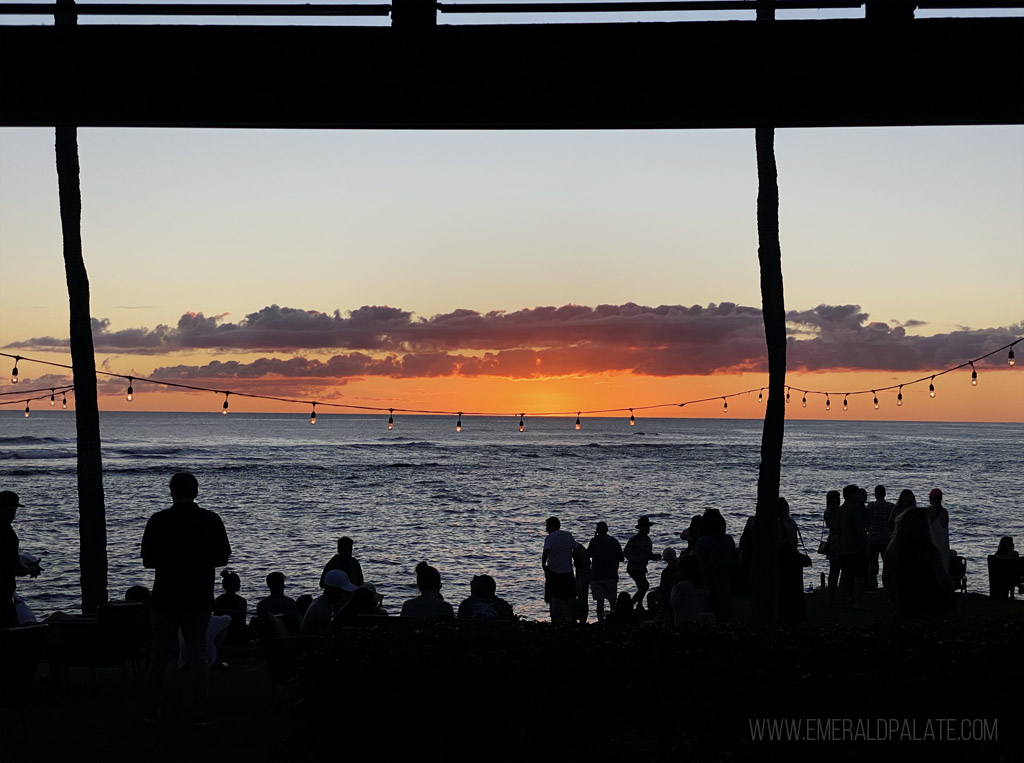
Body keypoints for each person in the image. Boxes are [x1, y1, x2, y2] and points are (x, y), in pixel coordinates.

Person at [141, 472, 231, 725]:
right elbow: (223, 557)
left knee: (158, 654)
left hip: (165, 595)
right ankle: (198, 713)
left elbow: (148, 561)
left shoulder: (158, 520)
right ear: (196, 491)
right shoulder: (211, 520)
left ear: (172, 492)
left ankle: (152, 710)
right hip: (198, 595)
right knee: (198, 653)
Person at [882, 506, 955, 618]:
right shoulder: (930, 550)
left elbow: (886, 577)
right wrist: (951, 596)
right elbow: (942, 577)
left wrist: (893, 596)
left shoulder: (893, 549)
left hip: (904, 597)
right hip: (929, 598)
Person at [1, 491, 42, 628]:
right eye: (14, 510)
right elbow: (15, 568)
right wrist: (31, 569)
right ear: (9, 510)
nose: (14, 515)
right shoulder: (8, 534)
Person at [695, 509, 736, 622]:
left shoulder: (702, 543)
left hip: (708, 584)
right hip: (726, 584)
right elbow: (733, 561)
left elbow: (700, 566)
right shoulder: (728, 540)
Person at [836, 484, 869, 609]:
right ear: (851, 495)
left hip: (843, 545)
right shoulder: (856, 509)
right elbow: (860, 529)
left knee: (845, 573)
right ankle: (857, 601)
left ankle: (842, 600)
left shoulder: (840, 509)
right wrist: (866, 544)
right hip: (856, 545)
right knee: (859, 575)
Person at [542, 516, 579, 623]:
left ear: (552, 526)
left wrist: (543, 564)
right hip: (568, 571)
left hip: (554, 571)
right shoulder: (568, 534)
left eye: (547, 526)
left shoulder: (550, 537)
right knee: (568, 597)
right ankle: (569, 618)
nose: (546, 529)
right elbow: (576, 549)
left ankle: (555, 619)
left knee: (554, 596)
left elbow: (546, 552)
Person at [587, 521, 624, 623]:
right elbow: (621, 558)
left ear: (597, 531)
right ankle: (614, 621)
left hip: (597, 576)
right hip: (611, 575)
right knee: (612, 601)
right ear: (607, 530)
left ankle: (600, 622)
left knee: (600, 603)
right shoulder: (614, 541)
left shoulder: (594, 541)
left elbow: (587, 555)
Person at [302, 569, 358, 635]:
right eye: (343, 592)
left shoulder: (318, 601)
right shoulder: (323, 611)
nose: (345, 596)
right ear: (334, 591)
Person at [776, 498, 806, 622]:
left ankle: (786, 612)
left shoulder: (779, 523)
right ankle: (796, 612)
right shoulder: (792, 522)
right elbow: (796, 541)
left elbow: (778, 543)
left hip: (784, 557)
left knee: (784, 585)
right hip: (794, 556)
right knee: (795, 586)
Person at [623, 515, 660, 608]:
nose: (648, 529)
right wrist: (635, 558)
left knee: (642, 587)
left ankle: (635, 605)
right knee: (644, 586)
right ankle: (635, 604)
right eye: (646, 527)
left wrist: (654, 556)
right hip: (633, 568)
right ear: (641, 528)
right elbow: (626, 552)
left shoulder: (648, 540)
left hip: (642, 568)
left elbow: (648, 555)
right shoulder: (634, 539)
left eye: (648, 527)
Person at [865, 485, 894, 590]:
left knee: (872, 563)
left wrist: (869, 529)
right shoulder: (890, 507)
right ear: (885, 493)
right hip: (886, 539)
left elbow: (866, 521)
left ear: (875, 494)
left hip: (873, 539)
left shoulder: (871, 506)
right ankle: (887, 583)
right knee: (886, 563)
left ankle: (872, 584)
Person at [670, 555, 707, 626]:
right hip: (697, 620)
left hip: (683, 621)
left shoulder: (682, 586)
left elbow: (674, 604)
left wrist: (674, 587)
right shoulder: (702, 585)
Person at [214, 569, 249, 645]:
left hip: (220, 634)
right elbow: (242, 622)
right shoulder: (241, 601)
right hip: (236, 635)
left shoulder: (218, 600)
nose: (240, 585)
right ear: (235, 585)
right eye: (239, 583)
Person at [926, 488, 950, 574]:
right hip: (943, 546)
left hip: (932, 546)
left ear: (931, 499)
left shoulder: (928, 512)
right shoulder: (944, 512)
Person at [823, 490, 841, 600]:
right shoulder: (831, 512)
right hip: (835, 541)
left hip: (835, 540)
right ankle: (832, 592)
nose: (838, 500)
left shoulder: (831, 511)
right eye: (836, 498)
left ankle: (832, 592)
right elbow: (834, 526)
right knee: (834, 569)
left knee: (834, 568)